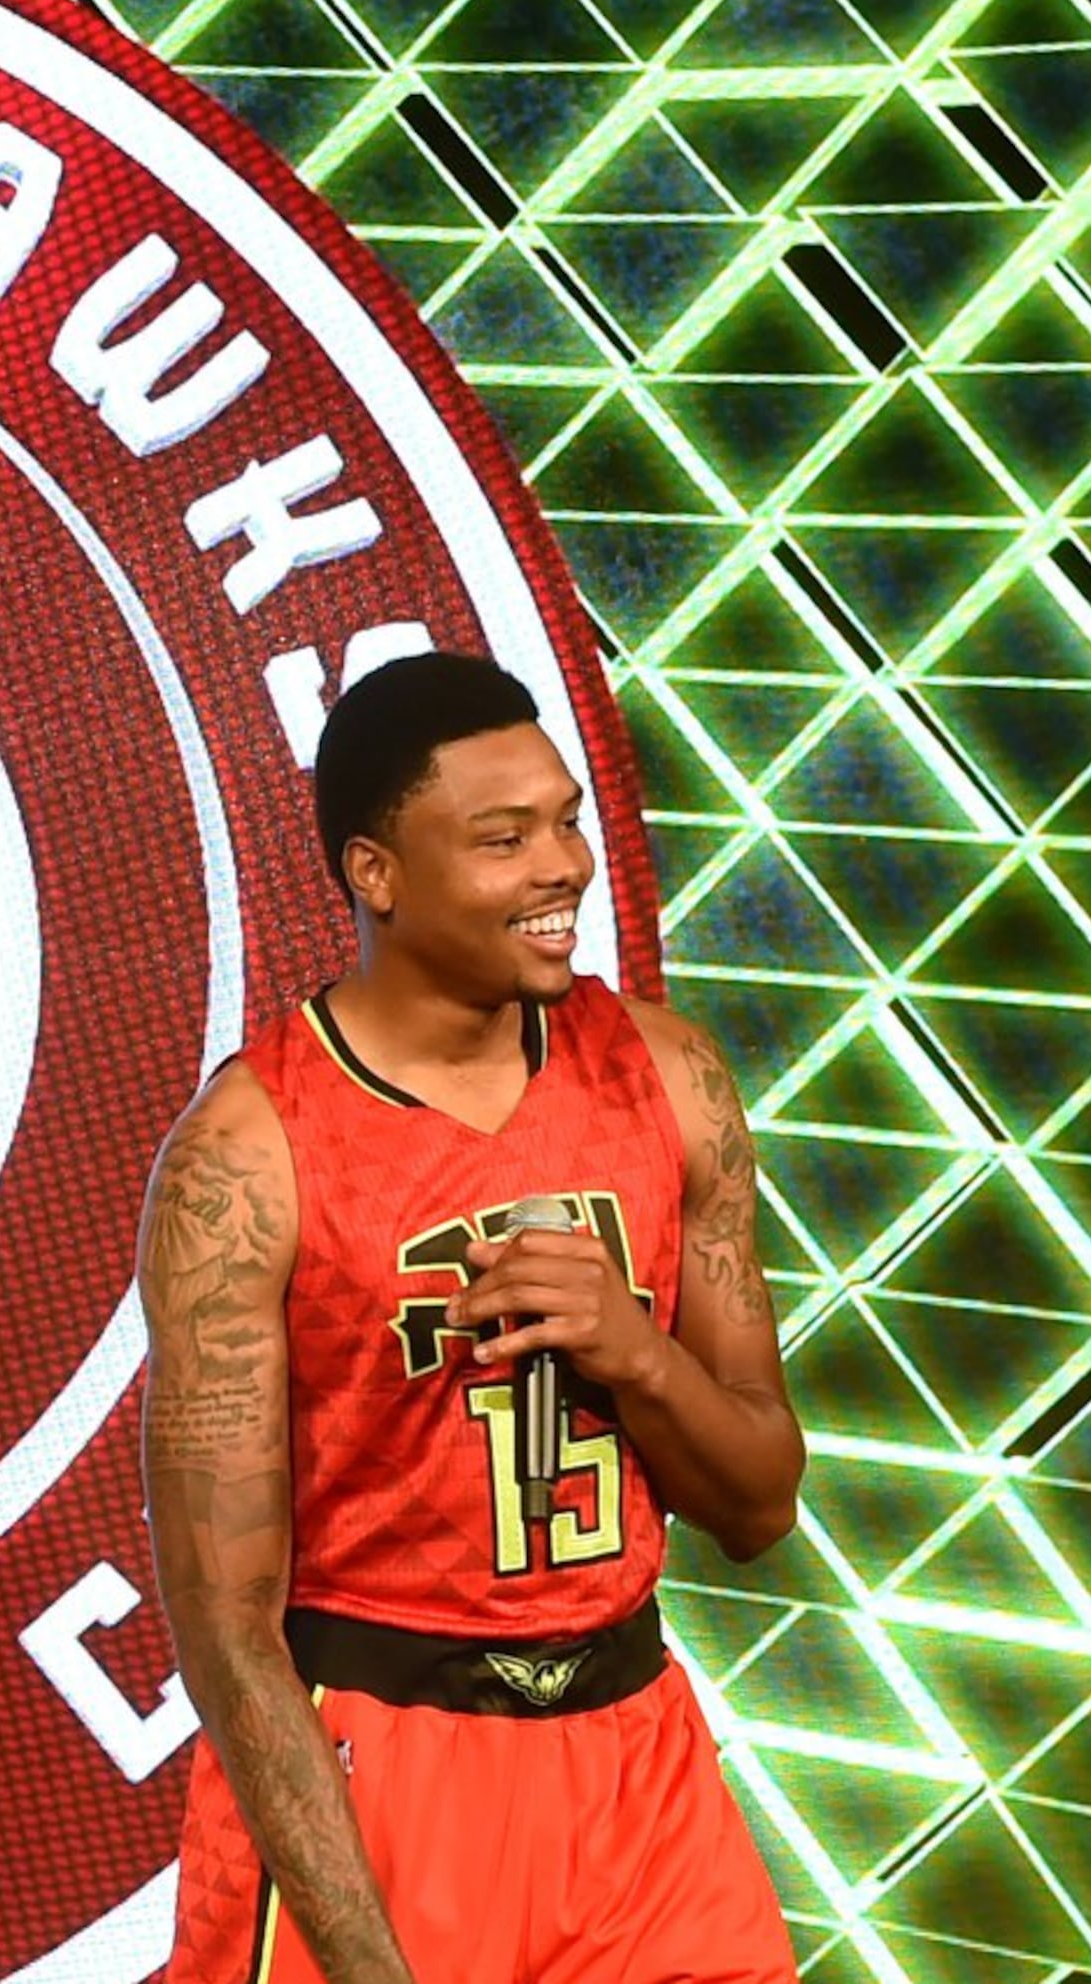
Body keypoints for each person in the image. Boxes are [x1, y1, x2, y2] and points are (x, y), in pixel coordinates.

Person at [141, 651, 804, 1982]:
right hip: (378, 1773)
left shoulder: (671, 1073)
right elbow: (227, 1632)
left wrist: (636, 1355)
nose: (563, 867)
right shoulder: (247, 1154)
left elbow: (760, 1506)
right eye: (505, 840)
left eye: (567, 822)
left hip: (638, 1771)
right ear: (376, 873)